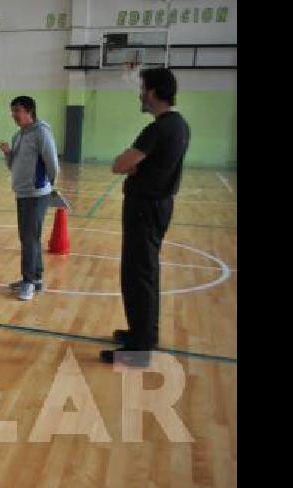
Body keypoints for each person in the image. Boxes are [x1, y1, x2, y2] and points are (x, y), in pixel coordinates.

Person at [102, 67, 190, 368]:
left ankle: (139, 349)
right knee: (145, 273)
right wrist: (136, 167)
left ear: (152, 92)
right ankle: (142, 335)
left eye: (143, 89)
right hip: (158, 206)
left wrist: (132, 167)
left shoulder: (158, 128)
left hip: (144, 207)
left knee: (138, 274)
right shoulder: (179, 124)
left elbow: (119, 164)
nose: (140, 94)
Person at [0, 95, 60, 301]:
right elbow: (12, 166)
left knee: (29, 239)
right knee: (29, 237)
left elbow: (52, 163)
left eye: (17, 110)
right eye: (12, 111)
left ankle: (28, 282)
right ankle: (36, 279)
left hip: (36, 194)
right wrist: (8, 153)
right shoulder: (18, 136)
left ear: (29, 111)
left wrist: (49, 186)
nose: (14, 115)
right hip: (22, 193)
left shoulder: (41, 133)